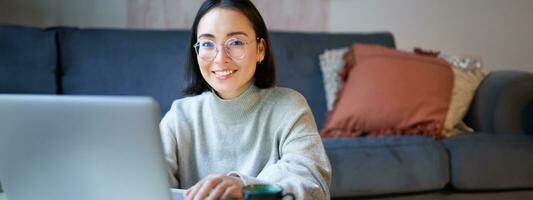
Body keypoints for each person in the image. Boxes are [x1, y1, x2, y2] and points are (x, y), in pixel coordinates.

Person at [159, 0, 331, 199]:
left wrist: (245, 187)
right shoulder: (179, 116)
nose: (220, 58)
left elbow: (311, 184)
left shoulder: (291, 107)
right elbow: (147, 182)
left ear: (260, 49)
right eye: (207, 44)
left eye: (236, 42)